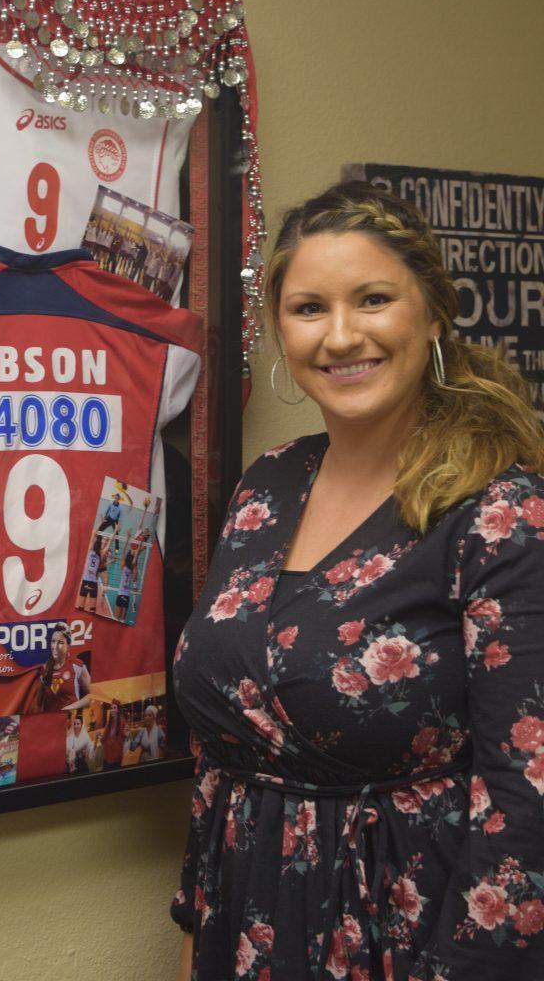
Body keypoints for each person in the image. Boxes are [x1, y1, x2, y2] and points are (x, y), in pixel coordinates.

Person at [172, 180, 544, 981]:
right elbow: (226, 759)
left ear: (434, 313)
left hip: (411, 934)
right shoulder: (267, 486)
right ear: (279, 328)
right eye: (309, 308)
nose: (341, 336)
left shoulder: (502, 516)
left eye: (373, 299)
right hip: (245, 922)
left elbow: (531, 798)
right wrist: (197, 921)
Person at [37, 623, 91, 713]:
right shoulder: (45, 668)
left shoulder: (77, 665)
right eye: (53, 641)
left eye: (61, 642)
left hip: (70, 718)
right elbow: (39, 703)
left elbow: (92, 695)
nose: (55, 646)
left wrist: (71, 707)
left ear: (68, 646)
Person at [100, 698, 127, 769]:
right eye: (111, 708)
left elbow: (125, 737)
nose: (112, 710)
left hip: (116, 756)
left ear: (118, 710)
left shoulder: (122, 722)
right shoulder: (108, 723)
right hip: (107, 755)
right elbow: (104, 738)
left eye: (115, 708)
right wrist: (101, 737)